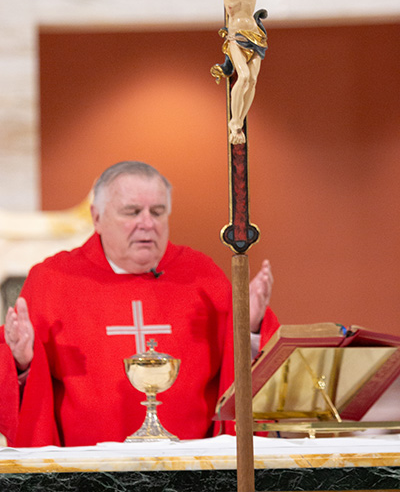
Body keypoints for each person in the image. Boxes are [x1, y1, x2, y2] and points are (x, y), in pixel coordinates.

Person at [0, 161, 279, 447]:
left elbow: (242, 380)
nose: (147, 223)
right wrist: (21, 361)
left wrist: (251, 327)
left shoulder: (201, 276)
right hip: (85, 472)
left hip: (191, 470)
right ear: (97, 217)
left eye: (157, 212)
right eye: (132, 212)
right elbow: (26, 396)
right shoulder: (52, 280)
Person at [168, 0, 308, 145]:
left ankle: (240, 122)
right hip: (236, 37)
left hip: (256, 36)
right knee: (242, 76)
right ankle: (234, 123)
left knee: (252, 81)